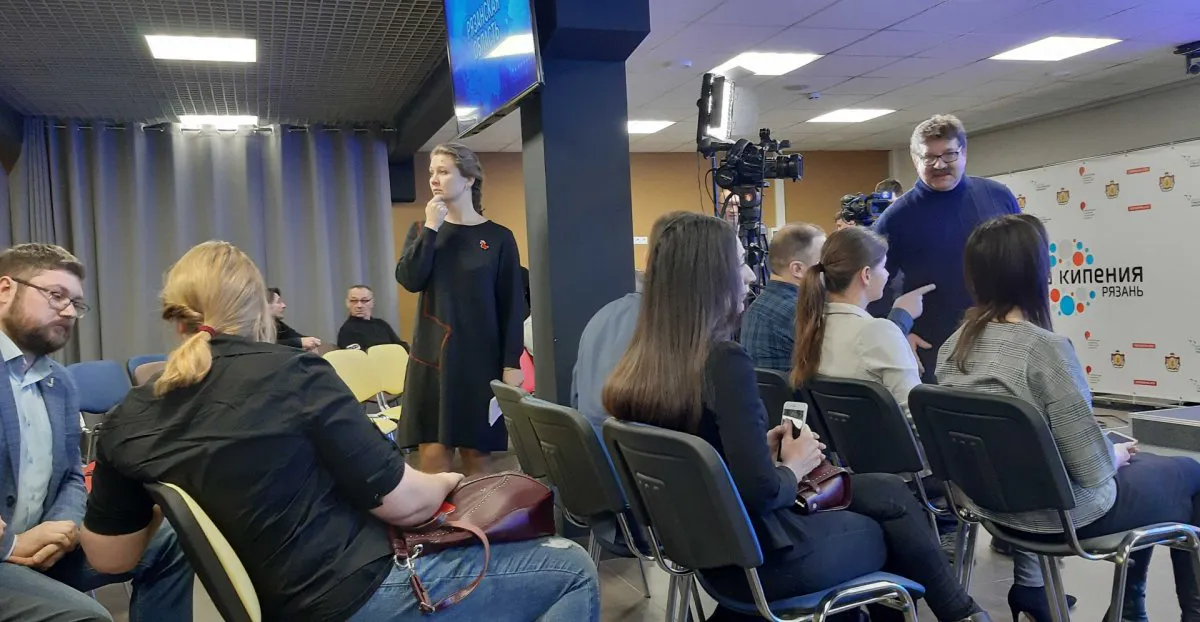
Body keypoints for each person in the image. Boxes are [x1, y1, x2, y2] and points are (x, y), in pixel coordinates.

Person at [79, 240, 599, 622]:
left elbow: (110, 557)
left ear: (177, 320)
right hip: (350, 597)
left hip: (256, 603)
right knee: (570, 568)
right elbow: (404, 505)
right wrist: (445, 481)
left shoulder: (131, 415)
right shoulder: (293, 375)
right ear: (261, 309)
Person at [602, 213, 988, 622]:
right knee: (893, 529)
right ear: (711, 277)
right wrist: (794, 465)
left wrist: (762, 451)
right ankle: (958, 614)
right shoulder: (722, 362)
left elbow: (706, 462)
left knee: (888, 491)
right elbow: (762, 492)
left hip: (711, 553)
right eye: (739, 263)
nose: (749, 275)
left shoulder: (644, 365)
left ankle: (960, 614)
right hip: (766, 559)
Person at [938, 214, 1200, 622]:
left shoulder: (953, 348)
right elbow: (1091, 469)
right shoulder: (1046, 348)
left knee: (1148, 472)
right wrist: (1114, 455)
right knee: (1188, 474)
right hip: (1066, 516)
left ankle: (1130, 608)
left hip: (995, 513)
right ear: (1037, 272)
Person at [0, 243, 193, 622]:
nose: (69, 311)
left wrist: (63, 528)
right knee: (89, 617)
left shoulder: (60, 383)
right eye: (56, 295)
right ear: (5, 289)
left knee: (172, 540)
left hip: (45, 546)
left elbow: (72, 474)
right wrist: (12, 544)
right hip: (7, 552)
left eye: (76, 303)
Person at [396, 143, 525, 476]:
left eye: (443, 171)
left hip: (480, 360)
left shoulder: (498, 238)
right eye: (431, 172)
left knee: (478, 459)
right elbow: (410, 279)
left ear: (468, 179)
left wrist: (512, 362)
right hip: (432, 358)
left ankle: (476, 513)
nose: (434, 179)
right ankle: (435, 513)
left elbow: (512, 305)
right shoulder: (424, 231)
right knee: (433, 456)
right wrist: (431, 228)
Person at [872, 114, 1019, 382]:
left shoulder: (997, 196)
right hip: (933, 346)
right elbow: (870, 285)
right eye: (929, 157)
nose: (939, 165)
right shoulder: (896, 217)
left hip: (1001, 338)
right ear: (915, 159)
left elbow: (1022, 261)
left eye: (949, 154)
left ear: (964, 153)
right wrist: (899, 333)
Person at [742, 223, 930, 373]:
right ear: (798, 269)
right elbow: (863, 353)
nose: (833, 267)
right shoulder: (802, 311)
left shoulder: (757, 307)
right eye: (824, 262)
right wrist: (902, 316)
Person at [790, 227, 925, 415]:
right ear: (866, 274)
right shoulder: (879, 331)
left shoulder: (814, 325)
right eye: (883, 267)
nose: (887, 274)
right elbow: (916, 414)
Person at [572, 212, 681, 434]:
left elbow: (576, 400)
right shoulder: (674, 330)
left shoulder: (603, 316)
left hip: (593, 449)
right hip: (636, 453)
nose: (750, 277)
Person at [337, 284, 407, 351]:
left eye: (364, 301)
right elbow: (356, 356)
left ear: (372, 302)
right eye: (354, 301)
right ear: (347, 303)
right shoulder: (346, 331)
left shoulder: (381, 324)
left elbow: (401, 347)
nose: (359, 305)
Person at [268, 287, 321, 352]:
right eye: (278, 302)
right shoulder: (256, 327)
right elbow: (267, 345)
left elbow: (296, 337)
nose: (284, 305)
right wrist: (298, 343)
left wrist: (311, 342)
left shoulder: (278, 325)